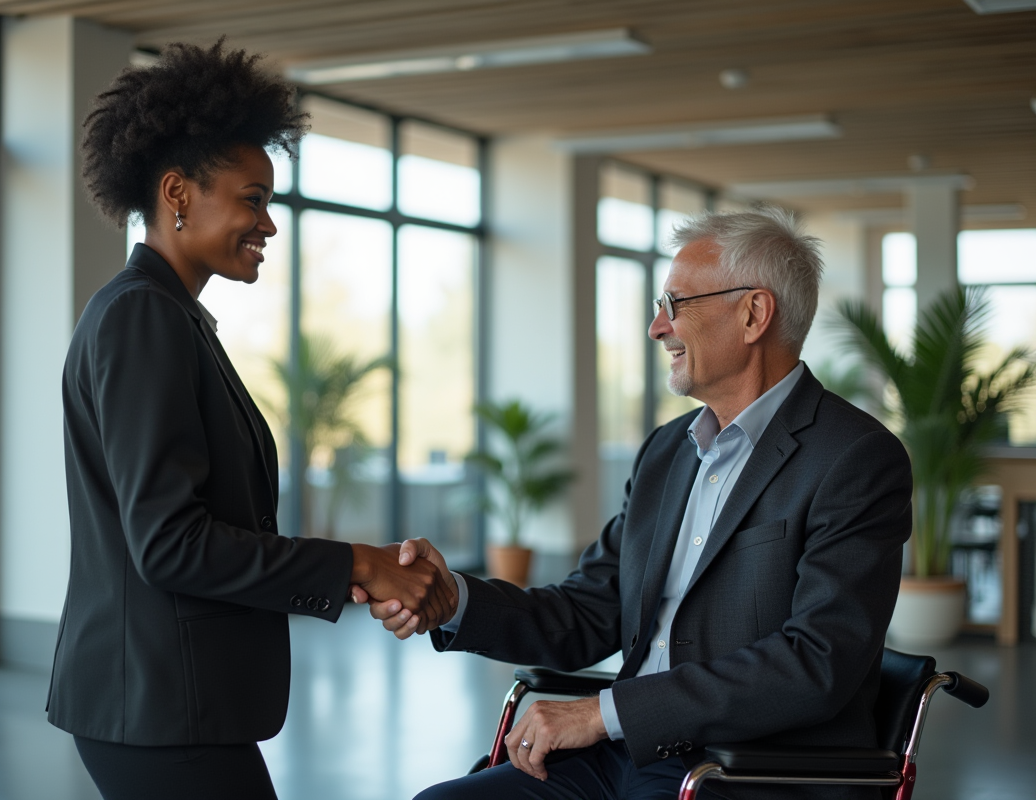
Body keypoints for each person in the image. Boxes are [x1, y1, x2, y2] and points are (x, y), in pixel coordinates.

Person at [357, 206, 913, 800]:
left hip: (746, 772)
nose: (656, 327)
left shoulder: (854, 458)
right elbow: (588, 611)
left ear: (754, 314)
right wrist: (454, 600)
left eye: (675, 304)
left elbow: (816, 662)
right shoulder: (666, 452)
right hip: (625, 755)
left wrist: (603, 713)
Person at [47, 41, 456, 800]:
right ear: (177, 193)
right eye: (253, 199)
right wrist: (355, 563)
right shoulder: (143, 317)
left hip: (169, 700)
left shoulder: (169, 316)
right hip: (160, 703)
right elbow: (170, 545)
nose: (268, 223)